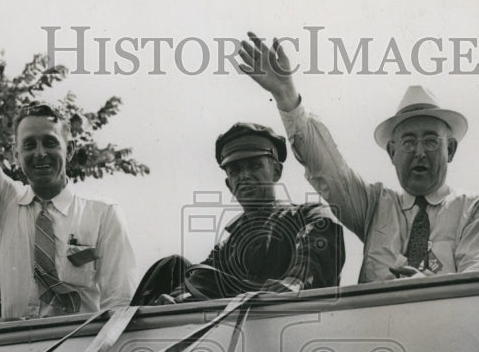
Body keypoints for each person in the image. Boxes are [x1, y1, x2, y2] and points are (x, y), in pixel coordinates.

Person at [0, 0, 137, 319]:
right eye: (29, 145)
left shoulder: (104, 216)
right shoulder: (3, 204)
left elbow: (119, 307)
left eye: (50, 142)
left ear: (68, 146)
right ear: (16, 151)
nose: (40, 153)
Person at [237, 34, 479, 281]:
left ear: (450, 150)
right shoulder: (375, 206)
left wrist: (427, 288)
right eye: (407, 142)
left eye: (430, 141)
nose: (419, 152)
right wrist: (287, 97)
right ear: (392, 152)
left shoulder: (476, 209)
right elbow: (329, 170)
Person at [132, 122, 344, 304]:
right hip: (235, 340)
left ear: (276, 172)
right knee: (169, 267)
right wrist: (174, 302)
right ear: (229, 184)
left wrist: (274, 292)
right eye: (235, 171)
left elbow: (304, 277)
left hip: (293, 330)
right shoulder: (227, 246)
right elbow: (199, 281)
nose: (244, 176)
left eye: (254, 166)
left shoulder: (311, 216)